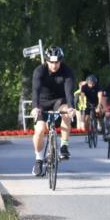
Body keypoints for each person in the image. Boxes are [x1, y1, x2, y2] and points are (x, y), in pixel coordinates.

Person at [30, 46, 76, 176]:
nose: (54, 65)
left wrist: (71, 107)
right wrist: (35, 107)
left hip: (59, 101)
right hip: (42, 103)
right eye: (51, 62)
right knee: (39, 130)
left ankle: (64, 146)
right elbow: (35, 90)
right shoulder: (39, 71)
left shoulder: (67, 71)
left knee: (66, 112)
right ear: (47, 61)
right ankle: (39, 160)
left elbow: (69, 92)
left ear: (60, 61)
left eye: (57, 62)